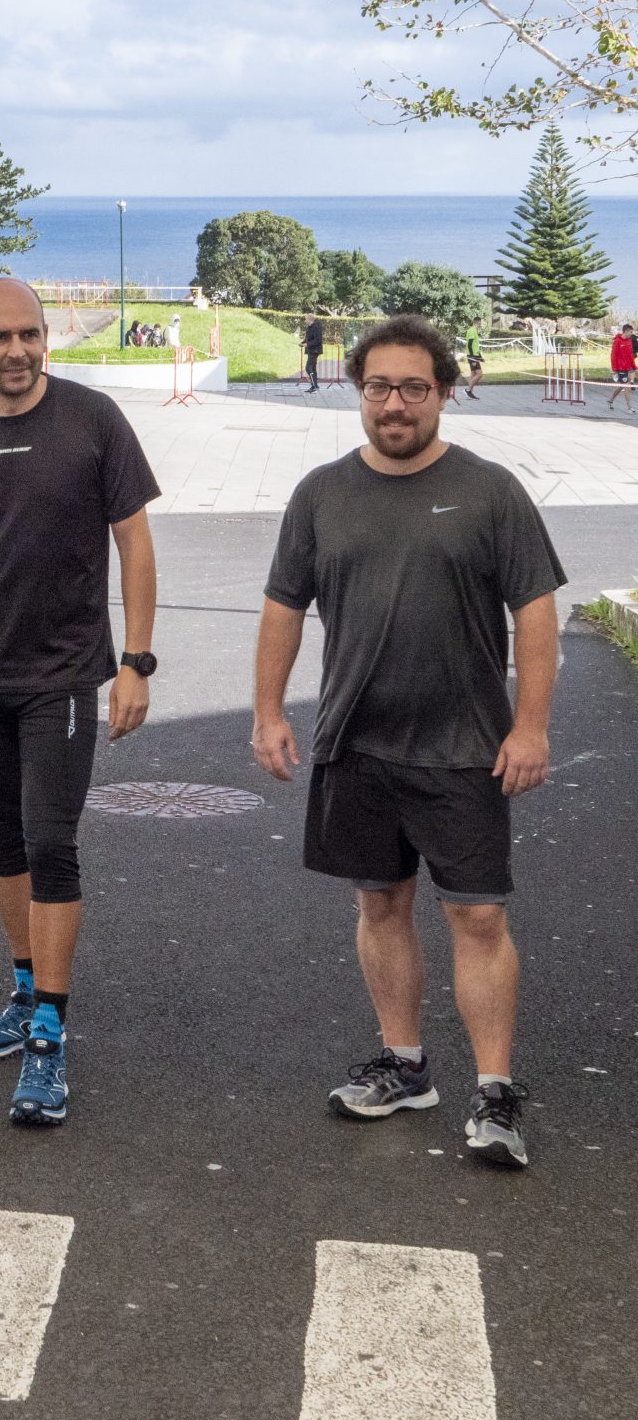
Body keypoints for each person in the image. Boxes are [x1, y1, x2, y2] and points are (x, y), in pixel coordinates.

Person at [252, 314, 563, 1169]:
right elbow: (283, 606)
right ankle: (405, 1065)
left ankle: (495, 1092)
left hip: (465, 747)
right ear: (358, 392)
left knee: (477, 915)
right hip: (356, 743)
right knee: (379, 904)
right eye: (379, 387)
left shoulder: (491, 490)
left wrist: (531, 724)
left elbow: (536, 614)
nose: (395, 404)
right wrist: (268, 711)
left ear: (444, 393)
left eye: (413, 388)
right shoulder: (321, 493)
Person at [0, 277, 160, 1127]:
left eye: (30, 335)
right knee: (5, 841)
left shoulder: (93, 420)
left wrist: (136, 662)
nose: (17, 351)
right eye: (0, 337)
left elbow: (134, 543)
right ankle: (22, 994)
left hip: (64, 675)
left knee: (51, 843)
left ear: (46, 339)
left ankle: (50, 1031)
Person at [609, 323, 634, 410]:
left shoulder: (629, 341)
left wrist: (634, 367)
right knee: (627, 386)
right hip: (620, 368)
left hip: (628, 368)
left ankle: (610, 400)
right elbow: (613, 356)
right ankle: (629, 408)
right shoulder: (617, 341)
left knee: (622, 386)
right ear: (626, 331)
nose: (631, 334)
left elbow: (631, 355)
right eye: (631, 332)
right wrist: (614, 369)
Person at [464, 319, 485, 399]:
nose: (481, 324)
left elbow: (474, 346)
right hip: (472, 356)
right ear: (478, 322)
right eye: (481, 322)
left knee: (473, 374)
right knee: (479, 374)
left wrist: (480, 357)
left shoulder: (473, 330)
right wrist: (473, 357)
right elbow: (470, 344)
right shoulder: (472, 330)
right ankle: (468, 390)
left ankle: (470, 394)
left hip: (473, 356)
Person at [303, 313, 324, 392]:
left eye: (305, 319)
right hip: (311, 350)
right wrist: (302, 343)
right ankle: (315, 386)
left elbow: (318, 340)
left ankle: (314, 386)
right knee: (312, 368)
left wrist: (307, 344)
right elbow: (308, 338)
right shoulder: (309, 327)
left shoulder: (316, 327)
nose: (305, 320)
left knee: (308, 368)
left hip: (315, 350)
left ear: (309, 319)